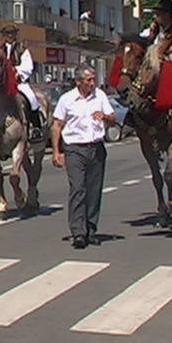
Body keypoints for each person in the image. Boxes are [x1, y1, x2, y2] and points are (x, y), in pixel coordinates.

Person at [51, 64, 115, 249]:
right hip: (74, 149)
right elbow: (57, 125)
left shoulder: (100, 96)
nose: (93, 83)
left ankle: (90, 229)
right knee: (78, 188)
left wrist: (104, 116)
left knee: (94, 190)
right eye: (89, 80)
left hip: (96, 147)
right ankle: (78, 232)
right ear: (78, 82)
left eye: (93, 79)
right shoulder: (67, 99)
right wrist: (57, 151)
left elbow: (112, 118)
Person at [0, 24, 43, 141]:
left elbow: (28, 66)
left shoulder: (22, 49)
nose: (10, 35)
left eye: (12, 33)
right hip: (2, 83)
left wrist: (17, 71)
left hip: (19, 82)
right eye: (7, 33)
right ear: (4, 35)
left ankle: (36, 128)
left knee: (32, 99)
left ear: (15, 35)